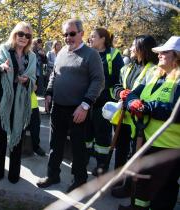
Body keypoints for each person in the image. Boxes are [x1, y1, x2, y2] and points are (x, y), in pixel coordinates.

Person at [36, 19, 105, 192]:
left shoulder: (91, 54)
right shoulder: (61, 53)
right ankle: (53, 175)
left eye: (72, 33)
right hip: (58, 107)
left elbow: (98, 81)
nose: (68, 38)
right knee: (55, 145)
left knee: (78, 148)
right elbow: (54, 74)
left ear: (82, 33)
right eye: (65, 34)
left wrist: (85, 105)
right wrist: (49, 93)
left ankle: (80, 180)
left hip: (78, 109)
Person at [118, 36, 180, 210]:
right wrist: (132, 102)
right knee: (142, 182)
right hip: (145, 139)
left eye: (164, 52)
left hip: (168, 148)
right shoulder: (155, 75)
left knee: (163, 190)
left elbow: (175, 110)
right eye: (159, 52)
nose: (159, 55)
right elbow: (133, 94)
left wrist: (147, 108)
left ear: (177, 56)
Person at [0, 21, 36, 184]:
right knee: (1, 137)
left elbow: (34, 79)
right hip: (2, 101)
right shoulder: (4, 49)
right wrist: (1, 67)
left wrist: (27, 81)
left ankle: (14, 174)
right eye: (21, 34)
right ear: (15, 34)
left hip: (20, 103)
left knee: (18, 136)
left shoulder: (32, 56)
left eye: (27, 36)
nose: (23, 38)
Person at [111, 35, 158, 198]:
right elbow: (115, 85)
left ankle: (129, 187)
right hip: (122, 118)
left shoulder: (154, 70)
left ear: (142, 49)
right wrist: (119, 93)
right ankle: (118, 179)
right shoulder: (127, 67)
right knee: (120, 150)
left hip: (138, 121)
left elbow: (150, 92)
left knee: (133, 154)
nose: (130, 48)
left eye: (133, 46)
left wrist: (133, 98)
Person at [88, 27, 124, 176]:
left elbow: (119, 79)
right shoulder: (88, 53)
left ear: (103, 38)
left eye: (93, 36)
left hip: (103, 103)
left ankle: (102, 165)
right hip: (87, 101)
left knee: (102, 135)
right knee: (86, 133)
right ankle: (84, 158)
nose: (90, 39)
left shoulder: (114, 55)